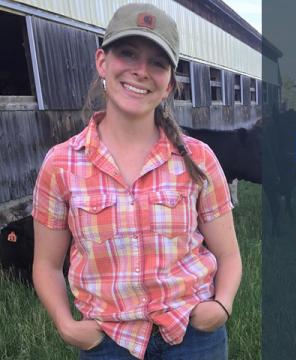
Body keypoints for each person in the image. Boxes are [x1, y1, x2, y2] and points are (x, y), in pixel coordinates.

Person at [31, 3, 242, 359]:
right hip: (108, 343)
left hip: (193, 337)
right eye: (127, 54)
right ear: (103, 62)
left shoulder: (198, 158)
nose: (141, 71)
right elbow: (46, 264)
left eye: (157, 63)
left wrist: (221, 305)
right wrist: (67, 325)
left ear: (169, 85)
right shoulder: (61, 164)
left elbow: (229, 253)